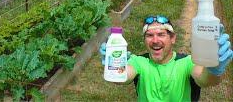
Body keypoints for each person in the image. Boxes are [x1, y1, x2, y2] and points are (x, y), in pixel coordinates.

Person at [100, 15, 233, 102]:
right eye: (149, 35)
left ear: (173, 38)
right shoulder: (138, 61)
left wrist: (214, 69)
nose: (155, 40)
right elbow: (123, 77)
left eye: (161, 34)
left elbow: (205, 80)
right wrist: (114, 68)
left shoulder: (187, 62)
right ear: (144, 40)